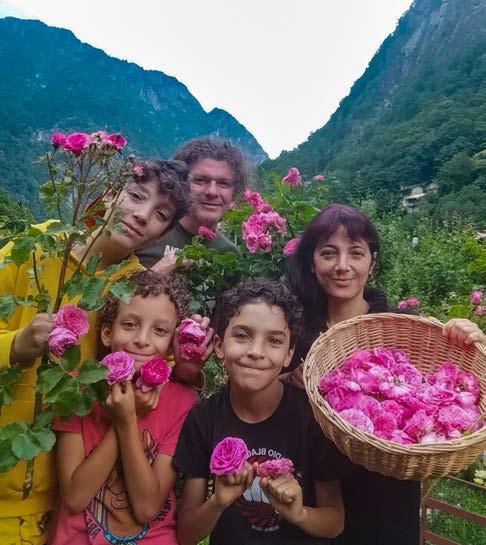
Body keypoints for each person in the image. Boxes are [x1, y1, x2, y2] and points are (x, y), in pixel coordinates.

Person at [0, 158, 190, 545]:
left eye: (160, 215)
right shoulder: (35, 248)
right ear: (107, 193)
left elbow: (157, 365)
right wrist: (15, 344)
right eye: (135, 196)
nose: (142, 216)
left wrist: (190, 359)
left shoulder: (132, 288)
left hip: (56, 502)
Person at [285, 203, 486, 545]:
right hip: (312, 501)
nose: (342, 266)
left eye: (356, 253)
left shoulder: (403, 331)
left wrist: (466, 337)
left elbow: (436, 391)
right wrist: (286, 381)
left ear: (372, 262)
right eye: (328, 253)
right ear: (312, 262)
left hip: (388, 504)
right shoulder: (295, 335)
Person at [174, 278, 348, 545]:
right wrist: (217, 502)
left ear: (289, 354)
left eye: (274, 341)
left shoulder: (313, 419)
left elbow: (334, 522)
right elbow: (186, 535)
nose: (256, 352)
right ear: (219, 345)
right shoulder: (203, 419)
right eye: (242, 336)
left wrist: (300, 514)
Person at [50, 270, 198, 544]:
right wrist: (127, 417)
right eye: (130, 324)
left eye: (160, 330)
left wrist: (128, 420)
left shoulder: (181, 400)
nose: (142, 339)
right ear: (107, 333)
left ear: (171, 345)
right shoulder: (76, 387)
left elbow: (147, 508)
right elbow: (75, 497)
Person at [136, 137, 250, 271]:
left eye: (224, 183)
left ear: (235, 191)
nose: (212, 191)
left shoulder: (230, 255)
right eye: (200, 180)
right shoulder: (145, 231)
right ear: (181, 182)